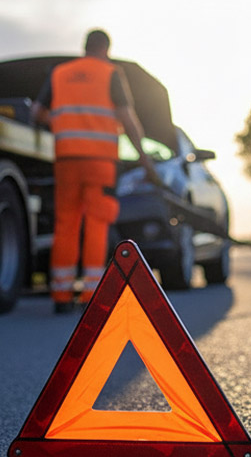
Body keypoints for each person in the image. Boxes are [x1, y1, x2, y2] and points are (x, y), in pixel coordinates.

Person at [32, 29, 161, 313]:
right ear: (105, 49)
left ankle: (61, 296)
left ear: (85, 47)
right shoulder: (110, 73)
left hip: (66, 160)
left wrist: (59, 123)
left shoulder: (60, 73)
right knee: (97, 223)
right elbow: (128, 119)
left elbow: (37, 113)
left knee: (65, 223)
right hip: (100, 163)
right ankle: (91, 295)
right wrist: (144, 159)